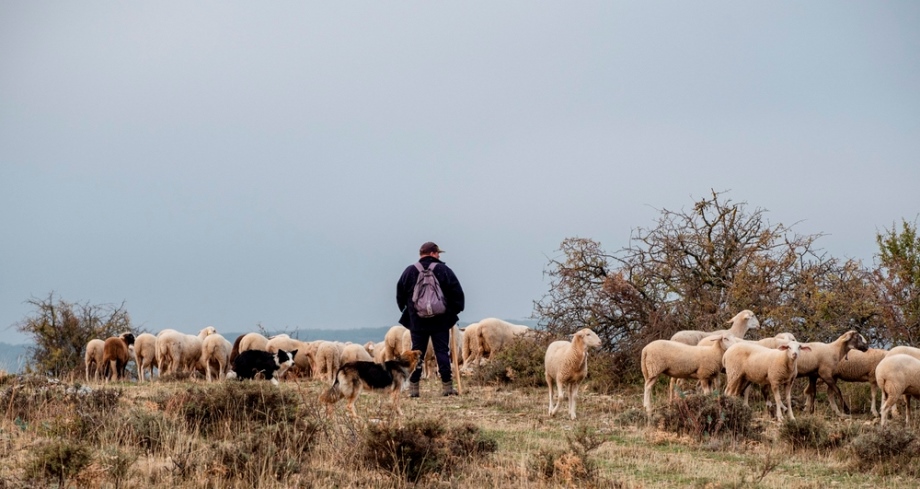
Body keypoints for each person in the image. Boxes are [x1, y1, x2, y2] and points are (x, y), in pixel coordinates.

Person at [396, 241, 465, 397]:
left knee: (416, 353)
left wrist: (407, 311)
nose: (439, 255)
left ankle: (414, 389)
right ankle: (447, 387)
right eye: (437, 253)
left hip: (417, 321)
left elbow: (400, 294)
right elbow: (457, 293)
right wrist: (453, 312)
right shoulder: (443, 270)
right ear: (433, 253)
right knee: (442, 351)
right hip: (440, 320)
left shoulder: (410, 271)